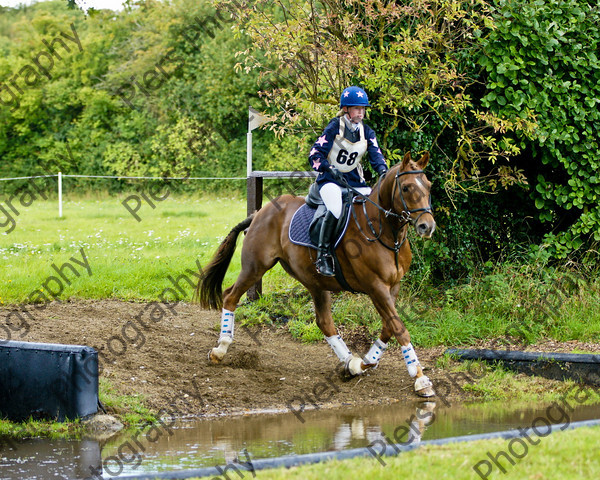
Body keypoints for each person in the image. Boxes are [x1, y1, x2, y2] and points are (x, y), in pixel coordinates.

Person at [308, 86, 388, 276]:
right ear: (346, 109)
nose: (361, 112)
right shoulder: (335, 126)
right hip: (330, 180)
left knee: (375, 205)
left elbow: (376, 156)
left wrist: (383, 172)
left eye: (363, 108)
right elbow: (315, 154)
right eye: (356, 108)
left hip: (355, 181)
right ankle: (323, 255)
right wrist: (329, 168)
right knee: (335, 208)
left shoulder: (367, 132)